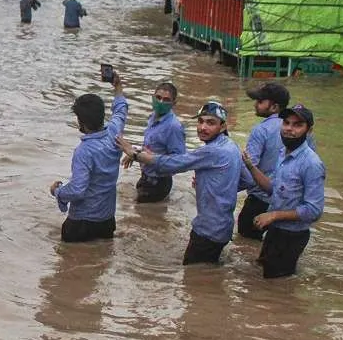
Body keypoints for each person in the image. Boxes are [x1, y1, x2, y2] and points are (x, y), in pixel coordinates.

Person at [118, 101, 253, 265]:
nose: (203, 127)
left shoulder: (212, 150)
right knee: (207, 275)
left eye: (210, 123)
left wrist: (134, 153)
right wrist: (218, 186)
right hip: (223, 228)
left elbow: (173, 163)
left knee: (191, 281)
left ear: (223, 127)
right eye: (200, 121)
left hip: (207, 230)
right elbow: (248, 180)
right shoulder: (232, 146)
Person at [241, 104, 325, 279]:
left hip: (291, 237)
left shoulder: (311, 164)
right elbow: (274, 189)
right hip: (275, 231)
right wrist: (251, 167)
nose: (289, 129)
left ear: (309, 131)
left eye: (297, 125)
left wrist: (273, 215)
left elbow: (314, 210)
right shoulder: (283, 153)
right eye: (286, 123)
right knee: (263, 280)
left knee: (275, 286)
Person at [49, 70, 129, 242]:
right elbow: (121, 111)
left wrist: (57, 191)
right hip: (107, 220)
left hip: (81, 223)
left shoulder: (83, 151)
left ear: (81, 122)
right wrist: (118, 87)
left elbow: (78, 190)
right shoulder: (114, 133)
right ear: (102, 116)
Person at [237, 81, 289, 240]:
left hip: (260, 201)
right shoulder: (298, 130)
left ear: (274, 107)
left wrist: (227, 189)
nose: (255, 105)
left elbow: (248, 169)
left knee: (244, 245)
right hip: (286, 204)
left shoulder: (261, 130)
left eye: (260, 101)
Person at [126, 82, 186, 203]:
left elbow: (180, 161)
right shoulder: (153, 117)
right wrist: (136, 153)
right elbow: (150, 146)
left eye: (166, 100)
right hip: (146, 176)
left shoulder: (173, 127)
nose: (161, 102)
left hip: (159, 182)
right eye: (158, 98)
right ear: (152, 98)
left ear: (174, 104)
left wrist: (151, 158)